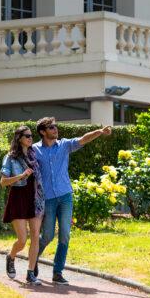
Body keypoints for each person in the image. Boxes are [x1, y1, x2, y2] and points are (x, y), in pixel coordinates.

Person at [33, 117, 113, 284]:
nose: (55, 129)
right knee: (47, 236)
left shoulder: (64, 145)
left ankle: (57, 272)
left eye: (55, 126)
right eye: (51, 127)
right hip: (47, 199)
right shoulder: (34, 150)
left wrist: (99, 132)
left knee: (65, 235)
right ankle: (33, 262)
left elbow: (83, 139)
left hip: (65, 196)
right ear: (42, 131)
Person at [0, 124, 45, 286]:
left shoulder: (35, 155)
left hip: (35, 199)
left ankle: (30, 273)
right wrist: (20, 176)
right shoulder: (10, 158)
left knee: (35, 237)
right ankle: (11, 256)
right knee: (22, 240)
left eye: (31, 135)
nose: (30, 138)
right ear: (19, 139)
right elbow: (3, 182)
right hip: (18, 198)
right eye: (27, 136)